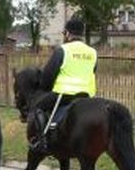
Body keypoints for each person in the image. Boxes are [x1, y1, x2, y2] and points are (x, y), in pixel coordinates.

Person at [29, 18, 97, 152]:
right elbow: (93, 71)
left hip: (65, 95)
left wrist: (45, 87)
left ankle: (42, 143)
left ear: (67, 33)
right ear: (82, 34)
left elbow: (48, 76)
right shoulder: (92, 52)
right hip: (87, 96)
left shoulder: (63, 50)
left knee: (38, 108)